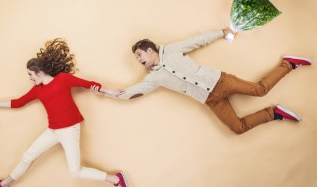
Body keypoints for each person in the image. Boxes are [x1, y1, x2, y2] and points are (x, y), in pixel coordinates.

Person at [0, 38, 130, 187]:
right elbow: (18, 102)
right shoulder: (37, 90)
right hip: (53, 131)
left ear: (39, 72)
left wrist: (109, 91)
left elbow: (88, 84)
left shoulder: (63, 79)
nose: (30, 77)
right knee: (27, 156)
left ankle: (116, 179)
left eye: (30, 74)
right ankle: (4, 186)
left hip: (69, 130)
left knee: (75, 172)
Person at [101, 28, 312, 134]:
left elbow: (196, 41)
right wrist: (109, 92)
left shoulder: (172, 50)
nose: (139, 60)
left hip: (220, 81)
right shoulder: (153, 77)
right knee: (237, 128)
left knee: (259, 90)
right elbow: (135, 91)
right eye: (137, 58)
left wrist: (221, 32)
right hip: (210, 100)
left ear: (150, 50)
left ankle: (288, 64)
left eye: (139, 55)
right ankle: (273, 113)